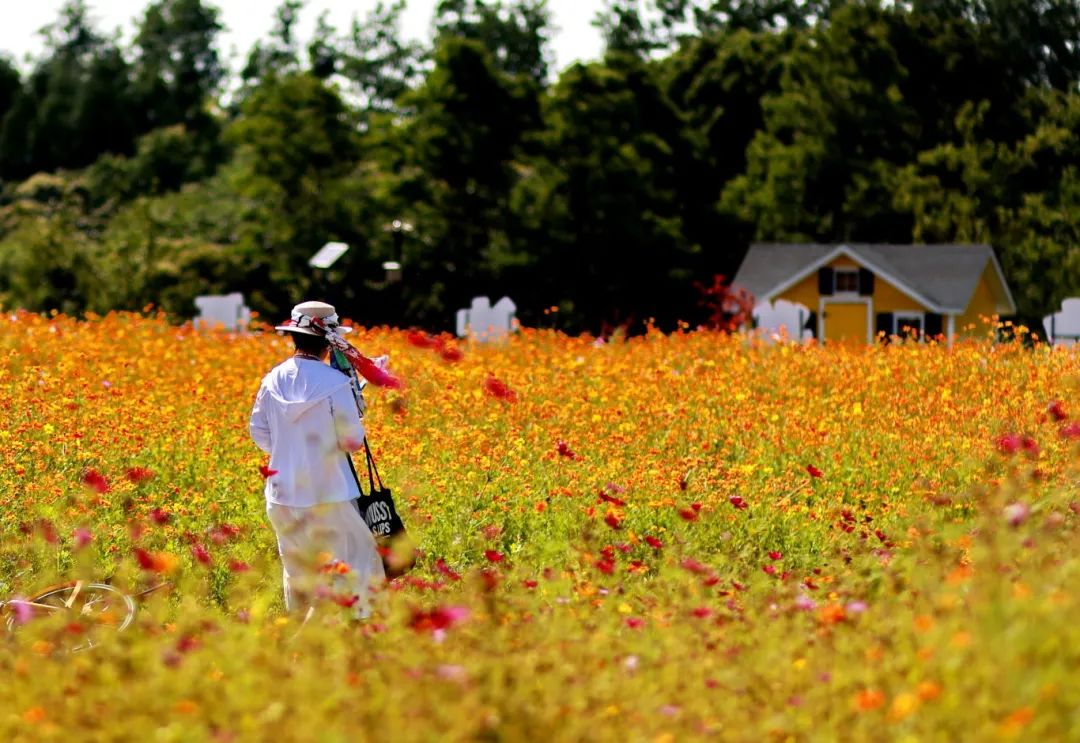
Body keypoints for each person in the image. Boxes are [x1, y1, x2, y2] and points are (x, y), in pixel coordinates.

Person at [249, 301, 385, 618]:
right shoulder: (336, 383)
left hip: (282, 492)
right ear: (329, 343)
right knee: (354, 563)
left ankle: (300, 634)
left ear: (294, 337)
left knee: (298, 570)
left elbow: (259, 431)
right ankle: (331, 635)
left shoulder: (272, 379)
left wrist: (290, 450)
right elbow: (352, 441)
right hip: (331, 492)